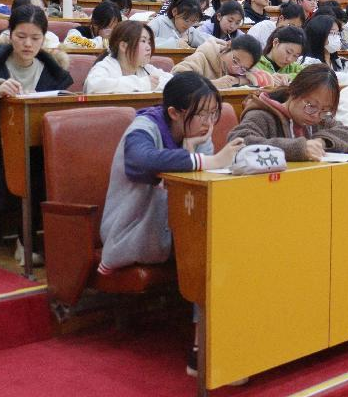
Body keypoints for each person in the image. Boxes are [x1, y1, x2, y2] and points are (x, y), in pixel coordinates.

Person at [0, 4, 73, 263]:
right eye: (21, 36)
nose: (28, 44)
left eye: (35, 38)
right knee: (29, 168)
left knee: (54, 165)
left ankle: (50, 244)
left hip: (38, 149)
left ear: (44, 38)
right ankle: (25, 241)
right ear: (10, 35)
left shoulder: (54, 72)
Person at [97, 71, 245, 277]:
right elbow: (142, 161)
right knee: (212, 251)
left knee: (233, 239)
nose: (209, 122)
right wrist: (211, 161)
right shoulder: (143, 128)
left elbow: (200, 186)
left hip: (172, 228)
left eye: (213, 113)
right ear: (174, 113)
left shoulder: (198, 133)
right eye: (202, 114)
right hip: (132, 231)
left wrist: (190, 148)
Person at [228, 63, 348, 161]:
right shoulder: (262, 115)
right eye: (311, 106)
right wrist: (298, 148)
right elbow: (239, 142)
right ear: (293, 92)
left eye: (325, 110)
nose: (316, 116)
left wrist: (322, 142)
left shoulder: (320, 119)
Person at [84, 21, 173, 93]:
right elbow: (94, 86)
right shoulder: (105, 66)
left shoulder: (145, 68)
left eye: (149, 42)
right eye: (143, 41)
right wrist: (142, 84)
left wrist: (154, 84)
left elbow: (172, 81)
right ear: (123, 46)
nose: (148, 47)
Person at [171, 34, 262, 88]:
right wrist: (214, 84)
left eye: (242, 68)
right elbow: (177, 78)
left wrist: (238, 80)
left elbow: (262, 79)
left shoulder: (245, 68)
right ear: (229, 46)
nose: (235, 68)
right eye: (235, 61)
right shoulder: (202, 57)